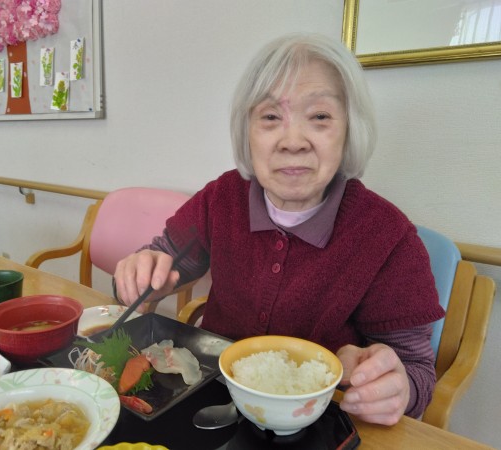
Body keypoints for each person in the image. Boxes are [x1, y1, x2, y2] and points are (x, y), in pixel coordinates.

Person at [114, 33, 444, 426]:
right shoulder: (222, 197)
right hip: (210, 397)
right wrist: (140, 272)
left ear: (349, 129)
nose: (292, 142)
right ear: (247, 131)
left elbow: (416, 372)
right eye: (271, 117)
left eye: (319, 117)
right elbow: (164, 259)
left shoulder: (389, 236)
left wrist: (397, 388)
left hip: (319, 421)